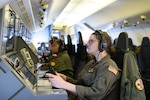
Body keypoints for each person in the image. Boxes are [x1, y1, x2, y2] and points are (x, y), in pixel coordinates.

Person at [46, 30, 121, 100]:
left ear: (103, 45)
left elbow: (96, 94)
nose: (87, 43)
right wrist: (65, 78)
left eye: (91, 41)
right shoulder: (92, 63)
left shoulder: (108, 67)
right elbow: (80, 84)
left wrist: (64, 85)